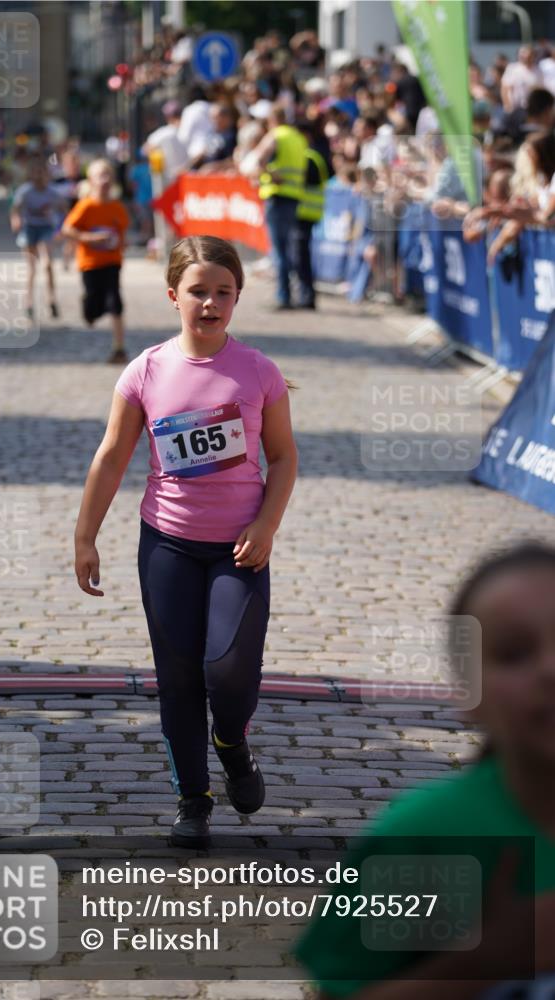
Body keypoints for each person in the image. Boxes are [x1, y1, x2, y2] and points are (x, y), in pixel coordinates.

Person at [73, 236, 298, 848]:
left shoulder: (257, 371)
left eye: (223, 292)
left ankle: (232, 742)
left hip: (239, 550)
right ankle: (192, 801)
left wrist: (266, 524)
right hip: (168, 544)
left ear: (237, 299)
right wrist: (85, 536)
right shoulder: (145, 370)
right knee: (176, 679)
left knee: (227, 672)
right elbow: (113, 454)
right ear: (174, 296)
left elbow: (282, 458)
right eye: (198, 291)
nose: (210, 303)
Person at [295, 541, 555, 998]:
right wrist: (481, 965)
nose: (551, 669)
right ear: (466, 691)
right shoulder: (429, 835)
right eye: (514, 653)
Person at [61, 158, 130, 364]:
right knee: (94, 306)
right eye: (100, 175)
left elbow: (122, 233)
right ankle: (89, 309)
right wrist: (90, 238)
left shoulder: (117, 208)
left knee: (115, 303)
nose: (105, 179)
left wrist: (120, 245)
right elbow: (67, 229)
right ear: (91, 181)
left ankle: (119, 348)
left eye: (108, 175)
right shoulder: (86, 206)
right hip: (89, 263)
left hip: (112, 262)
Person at [254, 104, 308, 309]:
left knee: (279, 249)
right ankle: (296, 293)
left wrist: (265, 172)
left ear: (271, 120)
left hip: (277, 195)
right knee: (289, 247)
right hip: (294, 196)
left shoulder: (275, 135)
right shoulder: (298, 138)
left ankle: (283, 296)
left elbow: (259, 159)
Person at [10, 157, 66, 321]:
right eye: (36, 173)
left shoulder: (53, 192)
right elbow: (15, 209)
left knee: (48, 264)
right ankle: (29, 302)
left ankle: (52, 299)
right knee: (31, 268)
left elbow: (64, 210)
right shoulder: (25, 191)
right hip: (29, 228)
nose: (39, 177)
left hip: (46, 228)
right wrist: (16, 220)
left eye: (42, 173)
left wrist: (62, 227)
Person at [293, 121, 329, 309]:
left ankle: (307, 297)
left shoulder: (309, 157)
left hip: (306, 214)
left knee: (302, 258)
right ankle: (304, 295)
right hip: (304, 214)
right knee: (300, 257)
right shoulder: (310, 156)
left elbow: (308, 181)